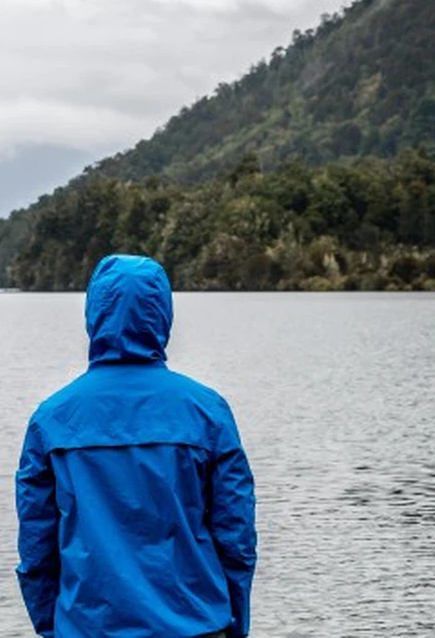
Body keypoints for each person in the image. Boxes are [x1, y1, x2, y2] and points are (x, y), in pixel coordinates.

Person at [15, 254, 257, 638]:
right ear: (162, 314)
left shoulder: (52, 420)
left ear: (94, 313)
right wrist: (235, 625)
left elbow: (36, 552)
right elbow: (236, 539)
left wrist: (55, 627)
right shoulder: (207, 413)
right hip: (196, 628)